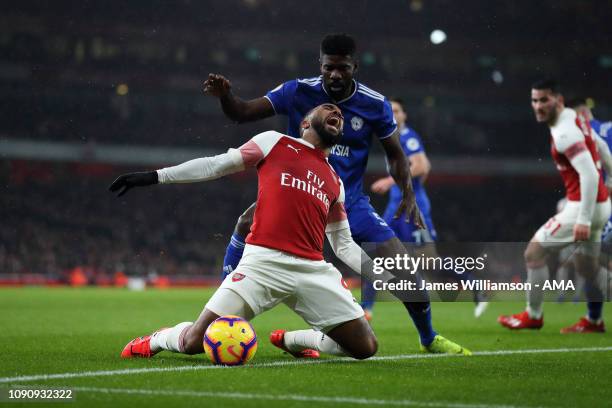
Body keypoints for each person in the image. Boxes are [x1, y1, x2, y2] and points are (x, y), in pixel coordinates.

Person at [204, 33, 469, 354]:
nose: (335, 74)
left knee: (405, 271)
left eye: (343, 68)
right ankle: (220, 306)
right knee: (246, 222)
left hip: (350, 203)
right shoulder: (297, 91)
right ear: (321, 65)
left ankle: (428, 337)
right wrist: (226, 96)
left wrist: (408, 194)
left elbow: (396, 154)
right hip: (294, 198)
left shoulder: (374, 104)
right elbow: (242, 112)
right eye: (329, 67)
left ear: (354, 66)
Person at [113, 104, 380, 360]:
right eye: (328, 108)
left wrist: (383, 274)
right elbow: (215, 165)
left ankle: (292, 340)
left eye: (340, 113)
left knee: (364, 346)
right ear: (305, 122)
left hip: (312, 269)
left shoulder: (335, 181)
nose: (336, 112)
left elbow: (343, 244)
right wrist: (155, 176)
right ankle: (160, 338)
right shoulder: (274, 142)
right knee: (195, 341)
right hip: (263, 263)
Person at [498, 80, 611, 333]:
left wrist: (582, 219)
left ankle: (533, 315)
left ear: (558, 101)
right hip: (600, 205)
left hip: (584, 206)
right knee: (587, 268)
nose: (538, 106)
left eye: (544, 100)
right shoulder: (574, 117)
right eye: (534, 100)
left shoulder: (564, 133)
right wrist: (611, 180)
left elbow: (591, 175)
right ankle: (593, 321)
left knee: (533, 253)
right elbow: (601, 146)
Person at [367, 98, 488, 319]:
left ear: (404, 115)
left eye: (397, 111)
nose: (392, 115)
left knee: (430, 262)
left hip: (414, 208)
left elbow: (421, 166)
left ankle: (475, 284)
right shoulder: (391, 138)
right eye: (389, 111)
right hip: (396, 205)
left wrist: (390, 181)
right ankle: (366, 308)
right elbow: (426, 165)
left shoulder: (408, 136)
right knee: (377, 250)